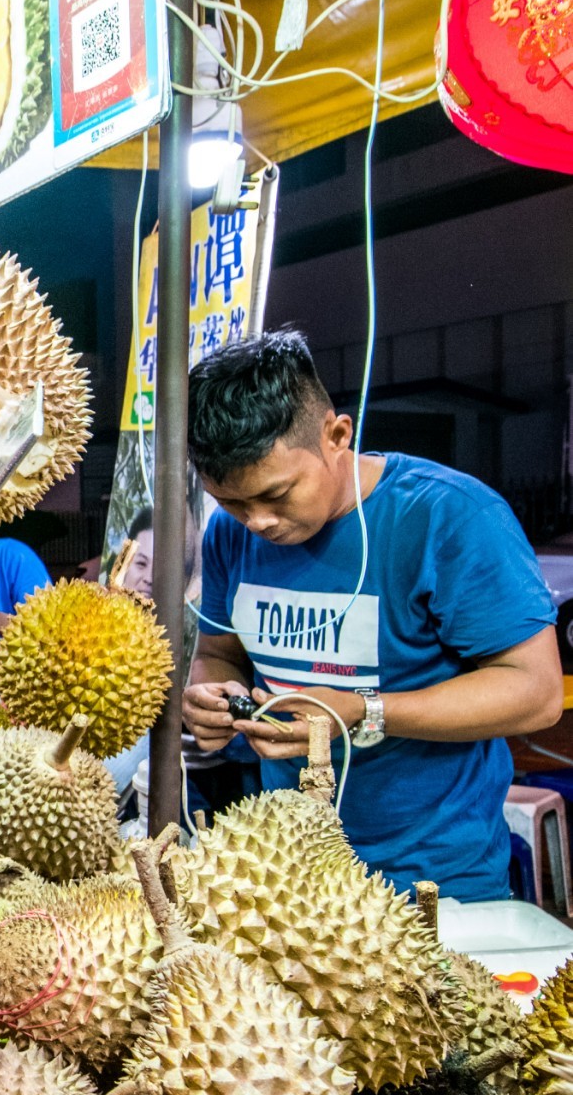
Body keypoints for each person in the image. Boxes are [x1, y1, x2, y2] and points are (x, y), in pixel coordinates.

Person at [183, 332, 561, 896]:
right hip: (285, 874)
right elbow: (217, 654)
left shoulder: (449, 518)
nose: (258, 521)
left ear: (337, 435)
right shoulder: (228, 536)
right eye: (234, 502)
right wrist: (210, 698)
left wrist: (361, 711)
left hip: (433, 881)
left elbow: (536, 693)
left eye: (278, 494)